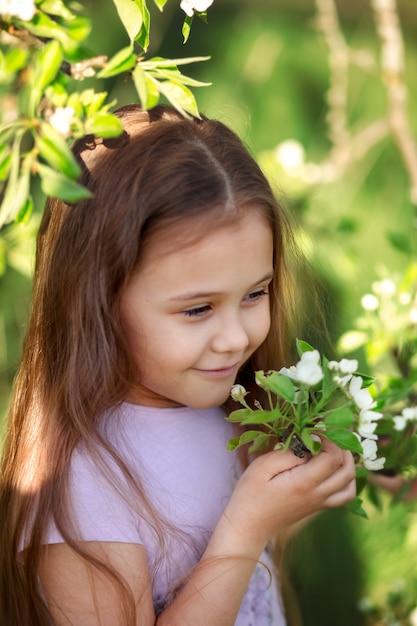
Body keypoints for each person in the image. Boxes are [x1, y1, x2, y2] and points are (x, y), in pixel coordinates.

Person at [0, 104, 356, 626]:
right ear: (97, 300)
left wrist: (326, 476)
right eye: (197, 309)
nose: (236, 339)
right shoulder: (82, 489)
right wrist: (246, 530)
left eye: (255, 293)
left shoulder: (211, 402)